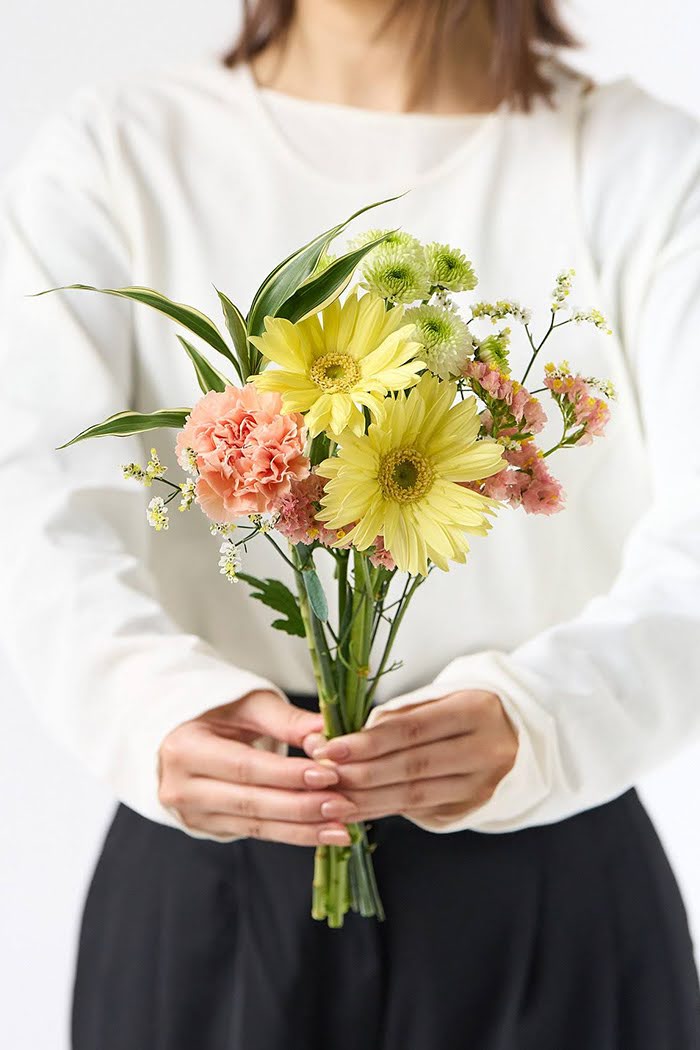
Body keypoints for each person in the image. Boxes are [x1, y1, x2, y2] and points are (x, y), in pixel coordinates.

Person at [2, 0, 700, 1046]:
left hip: (548, 865)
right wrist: (150, 705)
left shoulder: (644, 165)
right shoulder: (118, 153)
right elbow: (35, 498)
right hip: (216, 851)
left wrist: (544, 722)